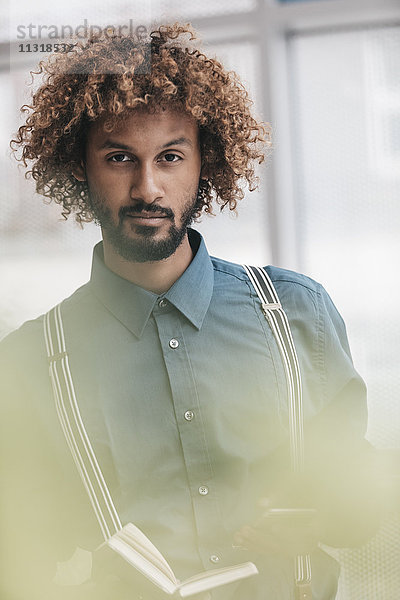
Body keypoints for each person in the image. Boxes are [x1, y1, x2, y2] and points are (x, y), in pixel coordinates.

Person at [1, 22, 379, 600]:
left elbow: (358, 495)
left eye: (171, 157)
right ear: (80, 166)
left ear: (206, 164)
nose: (147, 187)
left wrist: (330, 516)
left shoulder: (299, 313)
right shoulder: (27, 363)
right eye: (120, 157)